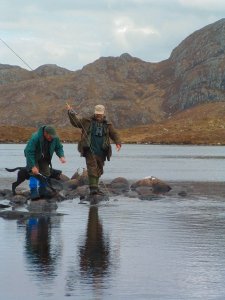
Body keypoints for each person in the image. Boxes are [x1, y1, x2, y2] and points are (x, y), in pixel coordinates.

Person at [67, 104, 121, 195]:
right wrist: (70, 113)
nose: (98, 115)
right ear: (95, 113)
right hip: (89, 149)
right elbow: (75, 122)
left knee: (99, 169)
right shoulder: (86, 121)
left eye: (100, 114)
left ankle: (95, 187)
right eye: (97, 114)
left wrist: (118, 143)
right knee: (92, 167)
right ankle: (93, 189)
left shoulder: (108, 125)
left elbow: (114, 134)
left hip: (102, 151)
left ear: (103, 113)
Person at [24, 125, 66, 200]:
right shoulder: (35, 138)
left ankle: (42, 191)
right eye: (50, 136)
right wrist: (33, 166)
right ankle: (33, 191)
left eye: (53, 136)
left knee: (46, 173)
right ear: (45, 133)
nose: (52, 137)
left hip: (45, 158)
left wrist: (61, 156)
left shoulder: (55, 138)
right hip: (33, 157)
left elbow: (59, 147)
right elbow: (29, 152)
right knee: (34, 173)